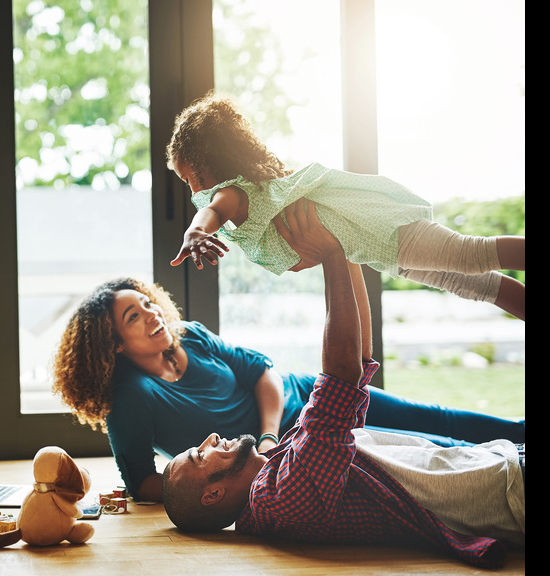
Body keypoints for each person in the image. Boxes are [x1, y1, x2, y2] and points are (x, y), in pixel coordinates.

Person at [161, 200, 524, 569]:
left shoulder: (279, 467)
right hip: (509, 490)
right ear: (214, 495)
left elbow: (359, 364)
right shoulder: (280, 497)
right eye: (199, 456)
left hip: (501, 465)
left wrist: (345, 251)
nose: (209, 440)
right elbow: (341, 378)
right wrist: (331, 255)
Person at [51, 224, 524, 505]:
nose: (153, 314)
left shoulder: (189, 335)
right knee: (430, 447)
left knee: (433, 416)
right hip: (301, 449)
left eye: (148, 303)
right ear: (112, 345)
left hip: (308, 399)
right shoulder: (130, 400)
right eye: (135, 316)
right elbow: (143, 483)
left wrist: (268, 436)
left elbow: (263, 371)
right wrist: (236, 482)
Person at [167, 92, 525, 321]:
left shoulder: (234, 194)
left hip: (382, 229)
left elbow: (211, 211)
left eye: (188, 180)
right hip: (378, 247)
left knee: (470, 254)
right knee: (477, 285)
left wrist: (195, 232)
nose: (192, 191)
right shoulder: (265, 188)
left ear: (204, 164)